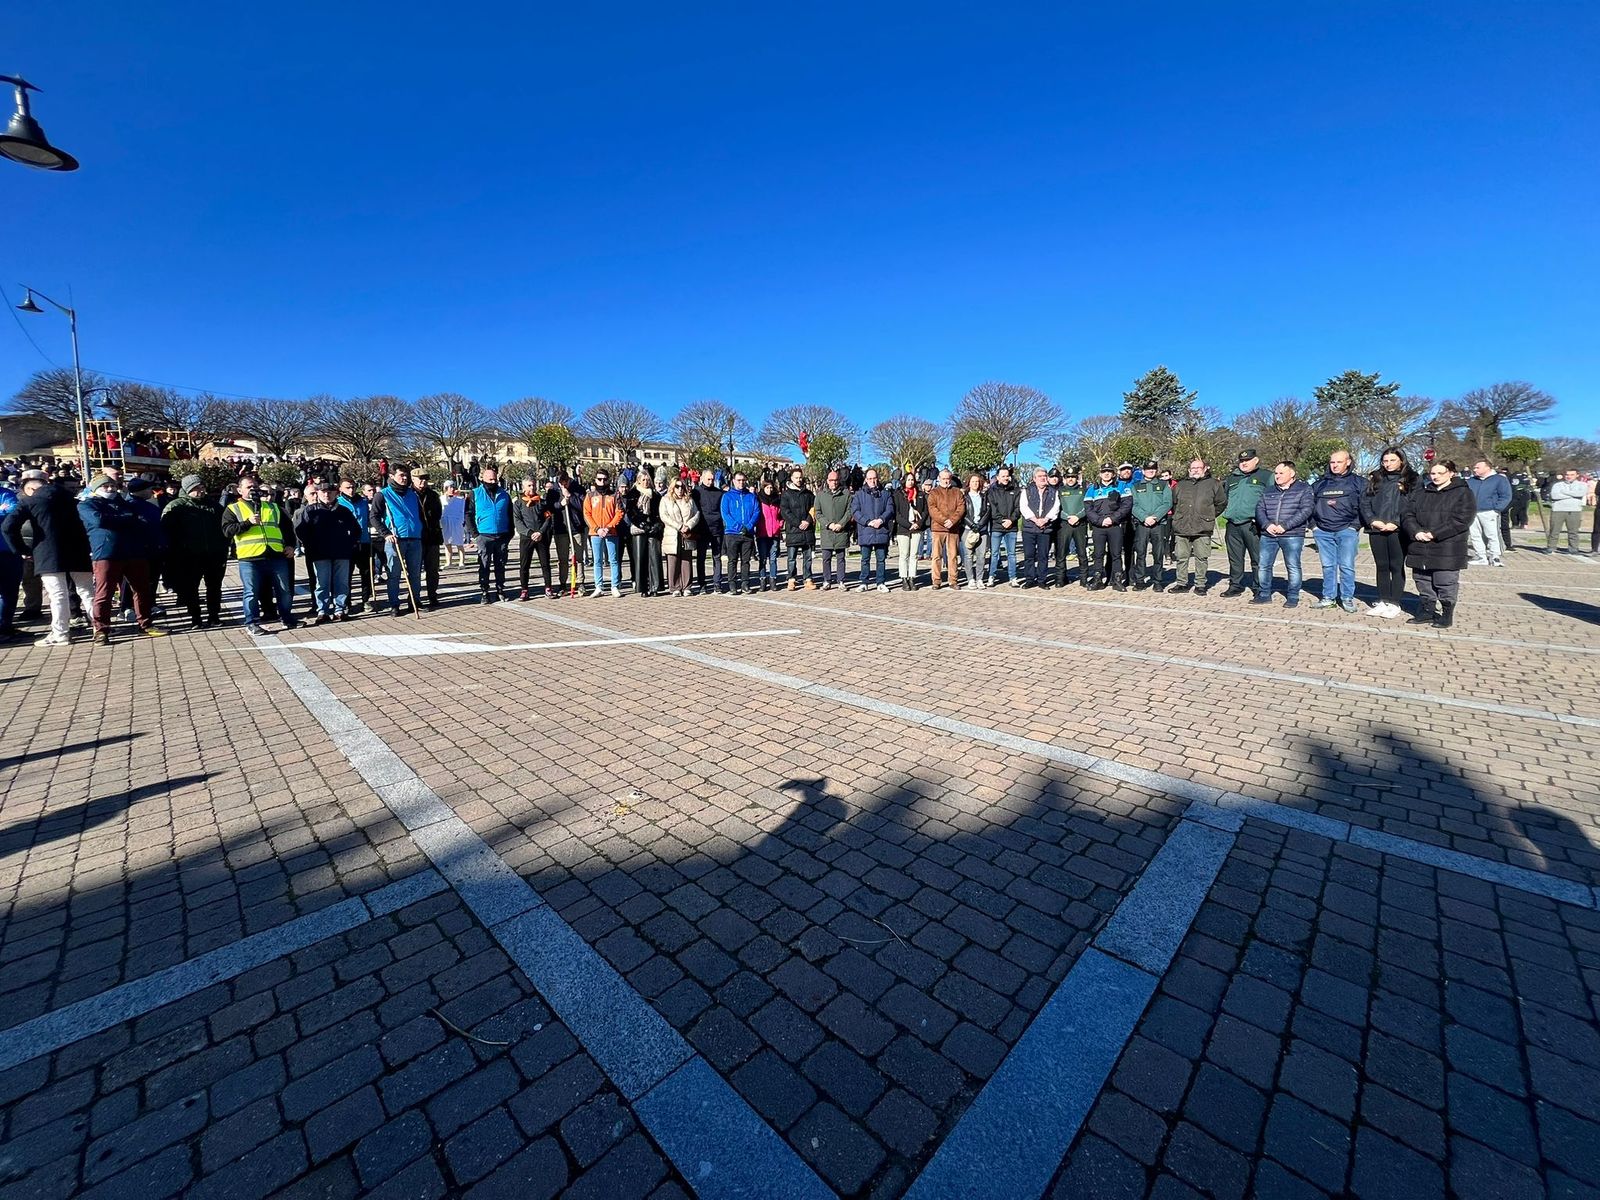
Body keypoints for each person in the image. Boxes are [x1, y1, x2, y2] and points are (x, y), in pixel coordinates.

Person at [3, 470, 93, 646]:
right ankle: (100, 626)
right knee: (87, 592)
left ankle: (61, 634)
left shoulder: (29, 501)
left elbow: (8, 527)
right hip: (78, 551)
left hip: (47, 553)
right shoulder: (74, 500)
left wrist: (22, 550)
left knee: (57, 595)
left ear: (30, 488)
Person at [78, 476, 163, 643]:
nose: (110, 489)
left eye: (112, 485)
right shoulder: (87, 504)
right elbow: (98, 520)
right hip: (106, 553)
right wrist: (124, 518)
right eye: (105, 486)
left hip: (134, 552)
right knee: (104, 593)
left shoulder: (126, 503)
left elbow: (137, 520)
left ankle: (145, 624)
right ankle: (101, 630)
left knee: (142, 590)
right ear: (96, 488)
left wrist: (117, 518)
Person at [1402, 459, 1476, 627]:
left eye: (1440, 473)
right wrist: (1416, 531)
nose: (1435, 477)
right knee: (1422, 579)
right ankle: (1426, 611)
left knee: (1445, 580)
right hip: (1420, 544)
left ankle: (1446, 613)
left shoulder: (1463, 493)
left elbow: (1462, 519)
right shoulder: (1422, 492)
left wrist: (1435, 533)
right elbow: (1407, 514)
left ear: (1451, 473)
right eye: (1432, 473)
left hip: (1447, 545)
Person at [160, 474, 228, 628]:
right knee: (191, 588)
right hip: (188, 556)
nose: (201, 491)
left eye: (202, 487)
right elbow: (167, 531)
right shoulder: (176, 506)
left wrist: (223, 547)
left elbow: (224, 528)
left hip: (214, 554)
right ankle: (195, 618)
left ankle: (214, 616)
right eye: (196, 488)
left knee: (214, 587)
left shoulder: (214, 506)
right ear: (187, 489)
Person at [293, 481, 363, 623]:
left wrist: (349, 544)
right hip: (320, 554)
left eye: (330, 492)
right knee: (322, 584)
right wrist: (310, 545)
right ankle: (322, 611)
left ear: (336, 493)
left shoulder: (344, 511)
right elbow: (300, 530)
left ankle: (340, 609)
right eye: (323, 492)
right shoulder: (310, 510)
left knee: (342, 583)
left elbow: (356, 530)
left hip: (342, 553)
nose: (327, 494)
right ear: (318, 493)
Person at [1253, 462, 1313, 607]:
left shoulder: (1304, 489)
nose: (1277, 476)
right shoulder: (1268, 490)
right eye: (1276, 473)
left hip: (1292, 534)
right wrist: (1267, 525)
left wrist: (1285, 526)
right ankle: (1264, 594)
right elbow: (1259, 509)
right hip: (1268, 534)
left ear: (1291, 474)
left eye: (1281, 473)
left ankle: (1293, 596)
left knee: (1292, 566)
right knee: (1264, 565)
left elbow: (1306, 510)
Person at [1310, 449, 1364, 612]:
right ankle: (1328, 598)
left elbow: (1365, 506)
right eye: (1332, 462)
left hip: (1347, 531)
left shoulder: (1359, 482)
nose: (1335, 465)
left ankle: (1347, 598)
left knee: (1347, 566)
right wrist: (1314, 526)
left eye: (1339, 462)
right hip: (1323, 531)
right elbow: (1308, 506)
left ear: (1348, 462)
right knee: (1328, 566)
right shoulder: (1320, 484)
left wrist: (1354, 526)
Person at [371, 464, 427, 618]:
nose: (404, 478)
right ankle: (394, 604)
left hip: (415, 538)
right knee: (394, 574)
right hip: (395, 539)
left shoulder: (412, 494)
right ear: (391, 476)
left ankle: (414, 601)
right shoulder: (383, 495)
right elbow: (374, 517)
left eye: (406, 475)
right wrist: (386, 533)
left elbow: (419, 514)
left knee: (415, 573)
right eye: (401, 475)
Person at [1221, 449, 1273, 597]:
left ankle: (1259, 587)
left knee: (1257, 558)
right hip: (1232, 524)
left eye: (1247, 460)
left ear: (1256, 460)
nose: (1244, 463)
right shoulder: (1232, 478)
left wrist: (1265, 520)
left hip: (1253, 524)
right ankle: (1235, 585)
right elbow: (1224, 499)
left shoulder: (1266, 476)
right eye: (1242, 461)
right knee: (1235, 558)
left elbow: (1272, 499)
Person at [1169, 458, 1226, 594]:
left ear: (1205, 469)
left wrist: (1208, 516)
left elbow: (1221, 503)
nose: (1195, 470)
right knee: (1181, 557)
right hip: (1182, 527)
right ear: (1189, 470)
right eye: (1192, 468)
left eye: (1198, 468)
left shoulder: (1214, 484)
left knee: (1201, 557)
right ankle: (1181, 583)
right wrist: (1179, 517)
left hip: (1202, 528)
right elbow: (1174, 503)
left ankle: (1200, 584)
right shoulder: (1181, 485)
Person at [464, 466, 513, 604]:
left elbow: (510, 514)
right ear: (483, 479)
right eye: (490, 479)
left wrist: (510, 533)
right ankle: (484, 591)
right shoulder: (475, 493)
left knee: (501, 565)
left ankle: (500, 589)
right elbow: (468, 514)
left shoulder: (504, 494)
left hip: (502, 535)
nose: (493, 481)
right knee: (484, 565)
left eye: (495, 479)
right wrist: (475, 534)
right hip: (484, 535)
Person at [1082, 464, 1130, 590]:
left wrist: (1112, 518)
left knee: (1116, 554)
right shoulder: (1092, 489)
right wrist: (1099, 521)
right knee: (1098, 554)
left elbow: (1126, 505)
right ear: (1100, 474)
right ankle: (1097, 580)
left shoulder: (1121, 486)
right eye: (1104, 471)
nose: (1106, 474)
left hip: (1115, 525)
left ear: (1113, 474)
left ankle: (1117, 580)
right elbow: (1088, 508)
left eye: (1109, 471)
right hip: (1099, 526)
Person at [1129, 460, 1174, 591]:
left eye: (1153, 469)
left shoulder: (1163, 485)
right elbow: (1134, 505)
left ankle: (1158, 581)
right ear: (1143, 471)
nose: (1151, 471)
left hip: (1158, 524)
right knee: (1141, 552)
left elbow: (1167, 503)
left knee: (1158, 553)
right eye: (1148, 469)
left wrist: (1156, 517)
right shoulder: (1136, 486)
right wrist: (1144, 517)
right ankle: (1140, 580)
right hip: (1142, 524)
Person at [851, 468, 893, 591]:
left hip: (881, 530)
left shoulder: (885, 494)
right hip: (866, 531)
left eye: (874, 478)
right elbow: (855, 511)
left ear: (878, 479)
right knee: (865, 559)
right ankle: (864, 582)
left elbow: (890, 509)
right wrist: (867, 522)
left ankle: (880, 582)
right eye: (870, 479)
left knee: (881, 559)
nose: (872, 481)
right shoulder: (859, 495)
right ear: (866, 480)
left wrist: (881, 520)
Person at [584, 468, 624, 597]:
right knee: (597, 560)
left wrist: (609, 527)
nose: (602, 482)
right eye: (599, 479)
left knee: (613, 560)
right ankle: (599, 586)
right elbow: (587, 514)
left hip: (611, 532)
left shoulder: (614, 495)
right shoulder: (590, 495)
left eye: (604, 479)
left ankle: (615, 586)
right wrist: (597, 529)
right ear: (595, 480)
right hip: (595, 533)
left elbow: (619, 513)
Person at [720, 471, 760, 594]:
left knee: (745, 560)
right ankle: (732, 584)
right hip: (732, 533)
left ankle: (745, 583)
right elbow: (725, 514)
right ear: (733, 481)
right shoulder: (727, 496)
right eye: (738, 480)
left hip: (747, 534)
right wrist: (737, 526)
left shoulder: (751, 496)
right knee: (732, 560)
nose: (741, 483)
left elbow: (756, 511)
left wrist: (748, 526)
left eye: (743, 480)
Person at [337, 478, 374, 612]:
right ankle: (346, 601)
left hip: (364, 541)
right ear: (340, 488)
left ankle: (366, 599)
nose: (351, 490)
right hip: (346, 544)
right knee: (346, 574)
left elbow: (371, 518)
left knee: (366, 573)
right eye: (347, 487)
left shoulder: (363, 502)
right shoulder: (338, 503)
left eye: (353, 487)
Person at [1465, 460, 1510, 568]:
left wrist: (1497, 508)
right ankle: (1481, 556)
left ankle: (1495, 556)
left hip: (1489, 511)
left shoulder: (1499, 479)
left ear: (1487, 468)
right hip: (1473, 512)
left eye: (1477, 467)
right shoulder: (1471, 481)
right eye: (1474, 468)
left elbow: (1506, 495)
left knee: (1492, 534)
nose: (1474, 470)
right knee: (1475, 535)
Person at [625, 473, 665, 597]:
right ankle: (643, 587)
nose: (646, 482)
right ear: (638, 481)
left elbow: (660, 512)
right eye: (643, 480)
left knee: (654, 557)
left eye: (648, 479)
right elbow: (630, 512)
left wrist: (657, 525)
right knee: (640, 558)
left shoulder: (656, 495)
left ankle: (655, 586)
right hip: (639, 528)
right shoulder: (633, 494)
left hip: (653, 528)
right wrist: (642, 524)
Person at [1019, 467, 1058, 589]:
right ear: (1034, 479)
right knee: (1029, 555)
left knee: (1043, 555)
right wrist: (1035, 519)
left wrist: (1045, 519)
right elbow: (1023, 507)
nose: (1043, 478)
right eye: (1040, 476)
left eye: (1045, 476)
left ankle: (1042, 580)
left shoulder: (1053, 492)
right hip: (1030, 528)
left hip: (1045, 528)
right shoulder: (1027, 491)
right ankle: (1030, 579)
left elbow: (1056, 507)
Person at [661, 477, 700, 596]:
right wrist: (678, 526)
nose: (679, 489)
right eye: (677, 486)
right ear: (672, 487)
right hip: (672, 533)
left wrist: (688, 525)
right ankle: (675, 587)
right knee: (673, 561)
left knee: (686, 560)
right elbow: (664, 516)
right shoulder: (665, 500)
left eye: (682, 486)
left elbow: (696, 514)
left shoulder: (689, 500)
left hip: (686, 534)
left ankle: (687, 586)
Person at [926, 468, 965, 589]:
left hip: (953, 529)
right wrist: (944, 520)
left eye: (948, 478)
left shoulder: (957, 492)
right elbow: (932, 509)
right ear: (939, 479)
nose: (946, 481)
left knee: (952, 555)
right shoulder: (934, 493)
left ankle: (953, 580)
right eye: (943, 478)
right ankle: (936, 581)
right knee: (937, 556)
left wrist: (953, 521)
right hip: (938, 528)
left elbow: (961, 507)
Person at [815, 469, 852, 590]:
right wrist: (828, 524)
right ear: (827, 481)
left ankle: (841, 580)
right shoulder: (820, 495)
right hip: (827, 532)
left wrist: (841, 524)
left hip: (841, 531)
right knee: (826, 557)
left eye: (836, 480)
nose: (834, 483)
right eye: (831, 480)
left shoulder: (846, 494)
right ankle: (827, 580)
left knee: (841, 558)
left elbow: (849, 511)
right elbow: (818, 513)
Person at [1052, 466, 1088, 588]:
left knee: (1082, 553)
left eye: (1073, 477)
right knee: (1061, 553)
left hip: (1080, 524)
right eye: (1069, 477)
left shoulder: (1083, 490)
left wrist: (1078, 516)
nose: (1071, 479)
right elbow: (1057, 508)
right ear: (1065, 478)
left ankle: (1084, 579)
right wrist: (1068, 517)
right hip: (1064, 524)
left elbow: (1087, 507)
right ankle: (1060, 578)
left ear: (1077, 478)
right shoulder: (1060, 491)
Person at [512, 477, 548, 599]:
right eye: (529, 486)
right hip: (526, 538)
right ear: (523, 487)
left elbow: (548, 518)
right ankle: (524, 590)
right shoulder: (518, 503)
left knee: (545, 563)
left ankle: (548, 588)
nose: (532, 488)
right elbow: (517, 521)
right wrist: (529, 533)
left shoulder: (542, 502)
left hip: (541, 537)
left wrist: (540, 532)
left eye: (533, 485)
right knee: (524, 565)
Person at [780, 469, 817, 589]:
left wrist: (808, 521)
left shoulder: (809, 494)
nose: (799, 480)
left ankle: (808, 579)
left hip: (807, 530)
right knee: (791, 558)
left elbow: (813, 508)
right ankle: (791, 579)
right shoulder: (786, 494)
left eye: (800, 477)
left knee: (808, 557)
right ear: (791, 478)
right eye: (796, 477)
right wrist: (797, 523)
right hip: (793, 530)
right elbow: (785, 512)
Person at [692, 469, 726, 594]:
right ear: (702, 478)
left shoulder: (719, 493)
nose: (711, 481)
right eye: (708, 479)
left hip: (716, 529)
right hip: (702, 529)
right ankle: (702, 584)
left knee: (717, 557)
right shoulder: (696, 492)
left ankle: (717, 583)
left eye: (712, 479)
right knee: (701, 558)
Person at [986, 466, 1021, 587]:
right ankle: (991, 576)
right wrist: (1002, 520)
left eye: (1007, 476)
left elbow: (1018, 508)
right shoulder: (992, 491)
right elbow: (993, 509)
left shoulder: (1016, 490)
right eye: (1003, 476)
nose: (1006, 478)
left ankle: (1013, 577)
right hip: (997, 527)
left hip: (1012, 527)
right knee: (994, 553)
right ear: (998, 477)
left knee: (1012, 554)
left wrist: (1011, 520)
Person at [892, 471, 927, 591]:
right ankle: (904, 579)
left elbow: (925, 512)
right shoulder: (898, 494)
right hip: (903, 529)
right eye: (908, 480)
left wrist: (918, 523)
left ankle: (912, 578)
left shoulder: (920, 494)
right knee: (904, 555)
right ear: (904, 481)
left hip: (917, 528)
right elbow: (896, 514)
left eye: (912, 480)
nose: (911, 482)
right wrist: (908, 525)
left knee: (914, 555)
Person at [415, 469, 445, 608]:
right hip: (416, 538)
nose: (423, 481)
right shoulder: (409, 495)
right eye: (420, 478)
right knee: (415, 570)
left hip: (432, 536)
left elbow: (438, 513)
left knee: (433, 569)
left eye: (425, 479)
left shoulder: (433, 495)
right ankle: (414, 598)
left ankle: (432, 595)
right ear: (413, 479)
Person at [1547, 468, 1586, 555]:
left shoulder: (1582, 484)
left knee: (1573, 531)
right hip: (1558, 510)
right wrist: (1572, 495)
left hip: (1574, 510)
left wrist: (1564, 493)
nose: (1569, 477)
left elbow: (1580, 494)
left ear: (1577, 475)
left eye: (1572, 475)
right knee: (1554, 530)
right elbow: (1554, 496)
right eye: (1567, 475)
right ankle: (1551, 547)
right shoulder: (1557, 485)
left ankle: (1573, 548)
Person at [961, 472, 989, 589]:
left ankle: (979, 579)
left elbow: (987, 511)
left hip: (981, 529)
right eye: (973, 481)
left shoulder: (984, 496)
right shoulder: (964, 497)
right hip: (968, 529)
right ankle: (970, 579)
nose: (975, 484)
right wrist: (971, 524)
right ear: (969, 483)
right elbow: (962, 512)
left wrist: (980, 524)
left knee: (981, 555)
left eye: (977, 481)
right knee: (968, 556)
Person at [755, 479, 784, 591]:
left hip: (774, 533)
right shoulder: (759, 500)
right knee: (762, 558)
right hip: (762, 533)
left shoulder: (777, 500)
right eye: (767, 487)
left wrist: (779, 524)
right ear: (763, 488)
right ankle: (762, 580)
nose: (769, 490)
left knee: (773, 559)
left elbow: (781, 515)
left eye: (771, 488)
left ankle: (773, 580)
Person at [440, 481, 468, 568]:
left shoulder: (460, 500)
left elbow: (462, 511)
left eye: (453, 487)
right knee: (447, 543)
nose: (452, 489)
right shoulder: (441, 499)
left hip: (456, 522)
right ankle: (449, 562)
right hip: (445, 522)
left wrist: (461, 521)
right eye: (450, 487)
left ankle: (462, 561)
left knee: (459, 543)